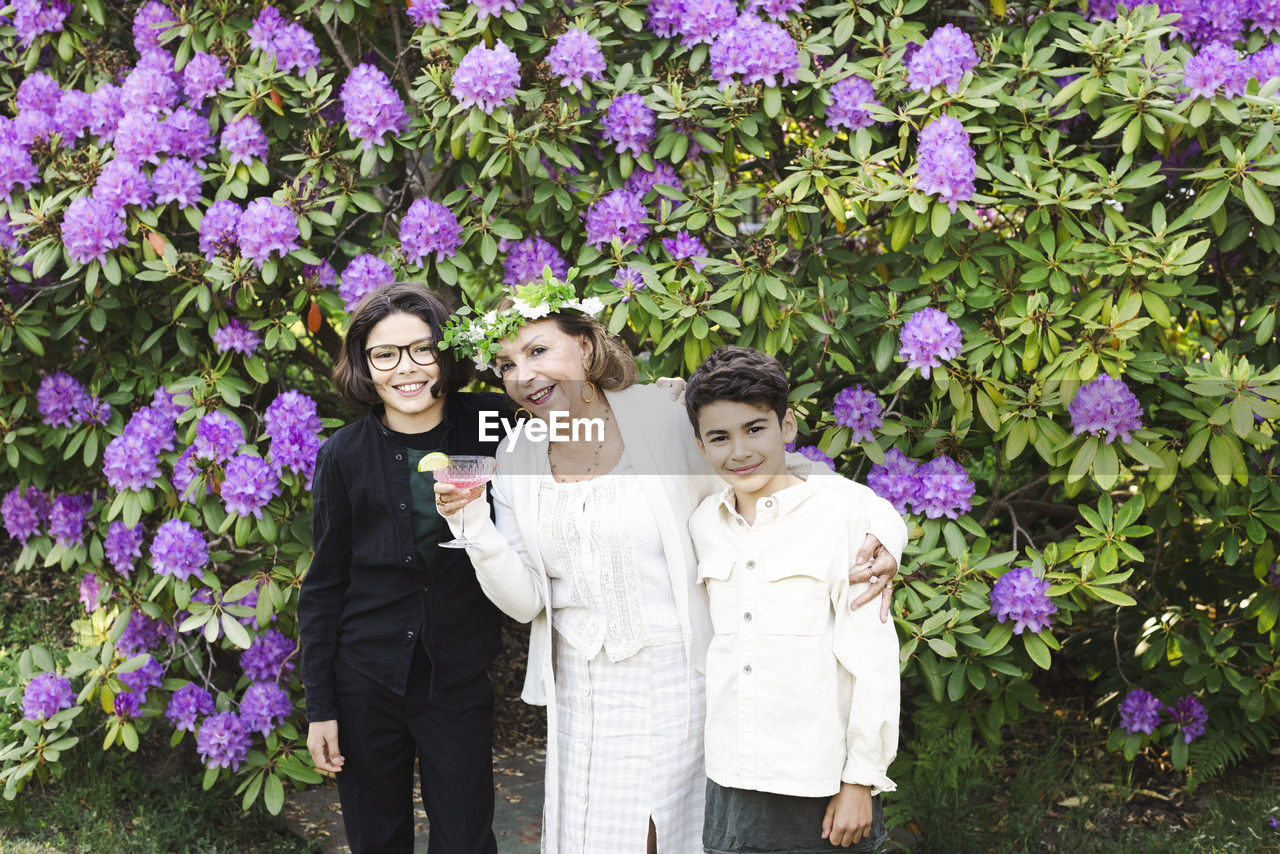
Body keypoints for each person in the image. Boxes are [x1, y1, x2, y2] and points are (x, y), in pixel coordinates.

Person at [434, 279, 904, 853]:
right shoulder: (515, 453)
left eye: (537, 351)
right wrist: (473, 526)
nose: (523, 374)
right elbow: (525, 600)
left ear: (584, 347)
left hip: (686, 678)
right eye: (506, 364)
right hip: (582, 691)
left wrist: (886, 527)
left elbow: (777, 471)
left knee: (677, 838)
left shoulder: (663, 415)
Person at [298, 282, 511, 854]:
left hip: (457, 676)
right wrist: (321, 707)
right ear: (366, 366)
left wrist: (652, 399)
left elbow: (581, 423)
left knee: (466, 839)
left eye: (422, 349)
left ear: (444, 353)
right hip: (365, 676)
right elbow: (324, 585)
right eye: (384, 355)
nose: (405, 369)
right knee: (377, 840)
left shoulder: (494, 424)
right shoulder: (342, 453)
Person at [683, 346, 903, 854]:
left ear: (787, 426)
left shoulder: (843, 518)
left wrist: (860, 781)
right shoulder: (703, 525)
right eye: (720, 437)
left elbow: (873, 661)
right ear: (700, 446)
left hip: (817, 783)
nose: (739, 451)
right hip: (731, 776)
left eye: (754, 429)